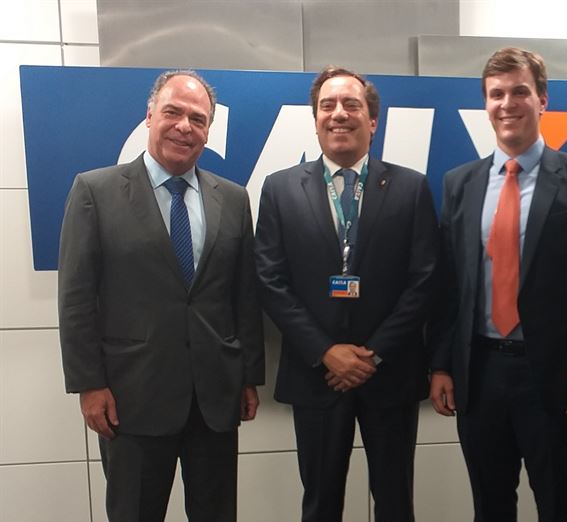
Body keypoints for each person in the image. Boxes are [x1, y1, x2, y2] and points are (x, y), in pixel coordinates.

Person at [58, 70, 265, 522]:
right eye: (173, 112)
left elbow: (243, 297)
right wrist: (89, 385)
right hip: (131, 398)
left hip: (214, 400)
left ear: (208, 131)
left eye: (198, 118)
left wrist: (249, 376)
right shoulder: (96, 191)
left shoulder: (233, 199)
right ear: (150, 115)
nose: (184, 126)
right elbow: (76, 299)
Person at [429, 47, 567, 521]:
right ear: (485, 104)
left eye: (519, 92)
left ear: (542, 100)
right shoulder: (460, 183)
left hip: (552, 375)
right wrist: (441, 365)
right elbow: (448, 286)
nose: (507, 103)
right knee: (490, 506)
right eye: (496, 94)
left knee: (558, 503)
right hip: (479, 373)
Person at [254, 66, 439, 522]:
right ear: (315, 119)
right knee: (320, 504)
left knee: (395, 503)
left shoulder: (411, 187)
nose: (339, 113)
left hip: (389, 374)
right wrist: (326, 352)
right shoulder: (280, 188)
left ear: (372, 121)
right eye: (328, 105)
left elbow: (424, 281)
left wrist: (372, 355)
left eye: (351, 105)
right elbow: (270, 280)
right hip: (316, 375)